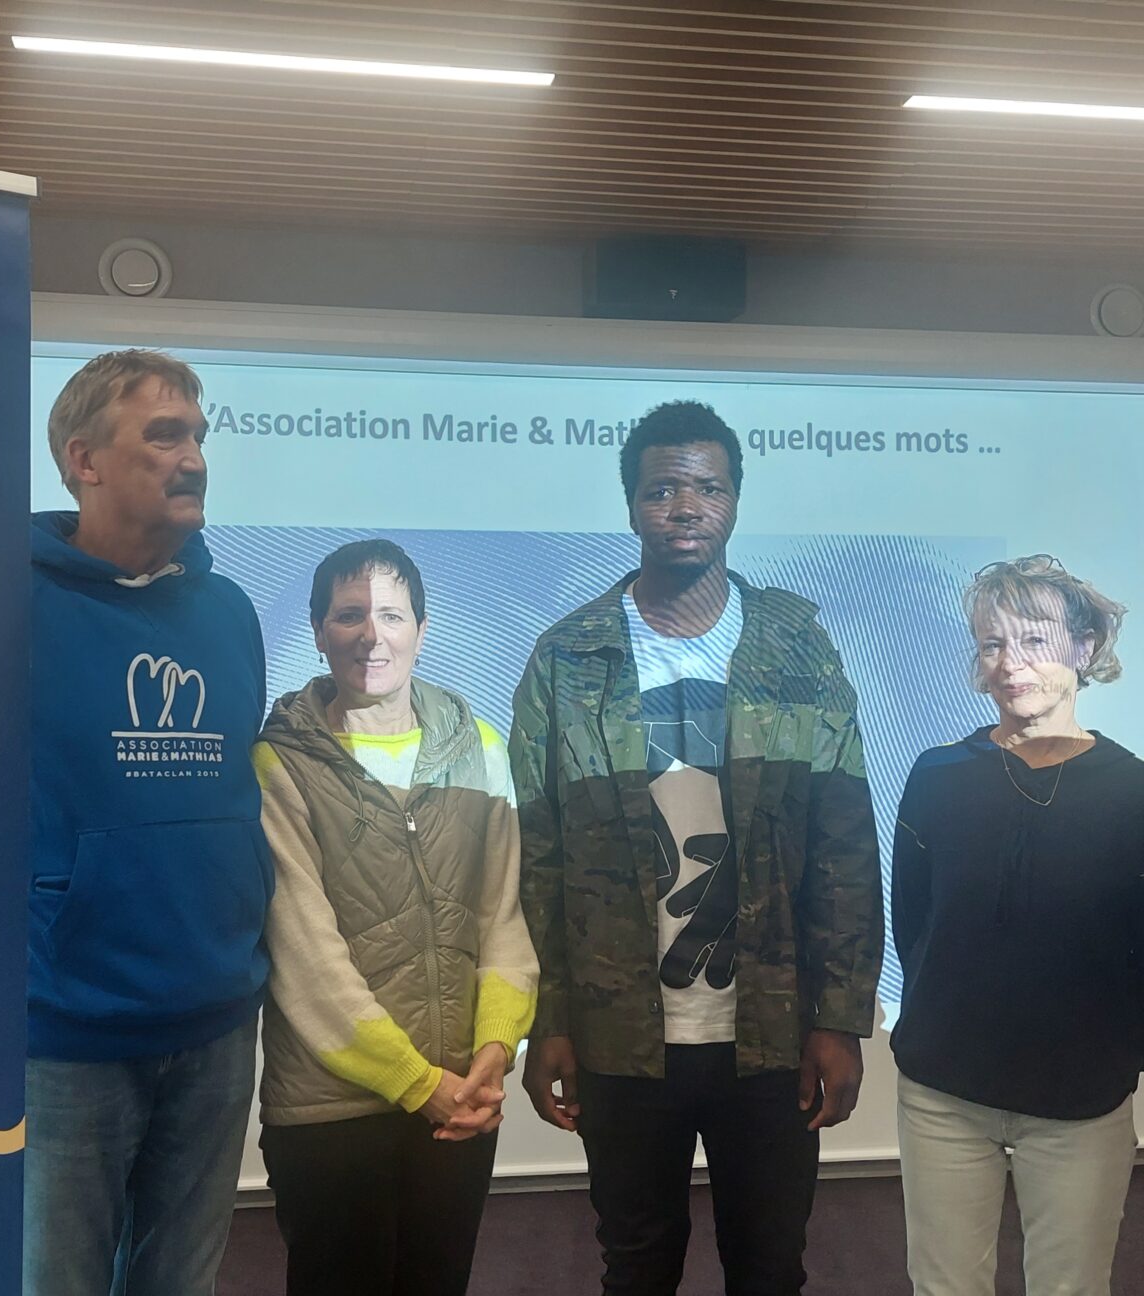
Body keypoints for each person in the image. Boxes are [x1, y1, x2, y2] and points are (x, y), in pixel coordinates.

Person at [510, 400, 883, 1296]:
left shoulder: (797, 647)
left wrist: (840, 1017)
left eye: (708, 488)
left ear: (736, 501)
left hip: (772, 1030)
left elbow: (842, 840)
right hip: (620, 1032)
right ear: (632, 505)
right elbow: (539, 856)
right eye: (663, 490)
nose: (686, 507)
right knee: (636, 1264)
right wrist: (548, 1018)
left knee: (771, 1264)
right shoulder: (568, 659)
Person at [25, 350, 270, 1296]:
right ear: (83, 460)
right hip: (67, 1028)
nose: (194, 458)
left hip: (215, 1016)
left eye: (198, 437)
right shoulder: (6, 602)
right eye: (164, 436)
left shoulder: (230, 612)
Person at [251, 538, 539, 1296]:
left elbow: (505, 919)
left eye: (391, 615)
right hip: (329, 1114)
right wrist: (416, 1082)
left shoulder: (480, 749)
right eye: (349, 615)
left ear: (422, 628)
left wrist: (494, 1050)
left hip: (459, 1102)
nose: (371, 636)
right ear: (318, 632)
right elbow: (304, 958)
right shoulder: (278, 764)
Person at [892, 555, 1142, 1296]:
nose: (1010, 663)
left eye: (1034, 640)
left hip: (1079, 1100)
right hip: (943, 1091)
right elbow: (914, 922)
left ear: (1085, 647)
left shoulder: (1134, 793)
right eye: (991, 644)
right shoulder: (935, 775)